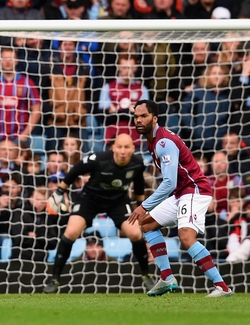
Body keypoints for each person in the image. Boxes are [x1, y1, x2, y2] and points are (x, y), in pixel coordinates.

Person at [128, 99, 233, 297]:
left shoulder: (163, 142)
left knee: (186, 236)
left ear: (155, 118)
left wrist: (144, 205)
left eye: (143, 116)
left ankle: (222, 287)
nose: (138, 120)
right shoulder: (153, 139)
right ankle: (167, 277)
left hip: (194, 190)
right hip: (181, 193)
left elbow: (169, 183)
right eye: (136, 117)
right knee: (147, 223)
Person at [43, 134, 152, 293]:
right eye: (119, 147)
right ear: (113, 147)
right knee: (71, 232)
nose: (122, 151)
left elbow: (139, 187)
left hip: (118, 201)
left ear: (133, 149)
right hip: (90, 199)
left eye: (126, 147)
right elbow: (75, 170)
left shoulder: (137, 163)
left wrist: (141, 207)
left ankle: (146, 276)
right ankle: (55, 279)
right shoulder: (98, 159)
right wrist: (60, 191)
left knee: (135, 233)